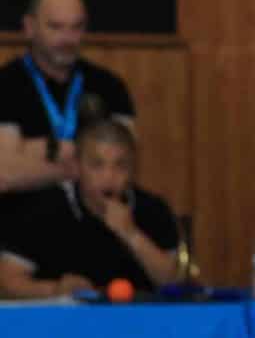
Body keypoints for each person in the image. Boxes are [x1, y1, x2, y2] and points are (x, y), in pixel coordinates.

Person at [0, 119, 178, 297]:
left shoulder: (153, 210)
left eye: (120, 165)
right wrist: (55, 289)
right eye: (97, 165)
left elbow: (174, 281)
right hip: (64, 313)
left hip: (138, 313)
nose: (109, 177)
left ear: (132, 170)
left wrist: (131, 234)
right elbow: (7, 282)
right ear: (77, 166)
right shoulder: (43, 209)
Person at [0, 0, 135, 201]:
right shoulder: (5, 85)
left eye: (76, 27)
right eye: (56, 27)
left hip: (94, 217)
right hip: (22, 217)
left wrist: (33, 151)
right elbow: (4, 174)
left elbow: (121, 168)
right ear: (29, 27)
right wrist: (84, 162)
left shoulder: (110, 87)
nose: (68, 39)